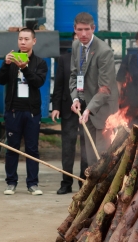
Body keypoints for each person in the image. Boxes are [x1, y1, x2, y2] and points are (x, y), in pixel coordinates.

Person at [0, 28, 48, 195]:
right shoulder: (10, 60)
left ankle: (32, 184)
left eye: (26, 39)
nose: (23, 42)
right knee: (12, 147)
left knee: (32, 149)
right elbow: (0, 80)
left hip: (32, 112)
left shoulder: (40, 63)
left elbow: (38, 82)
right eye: (20, 39)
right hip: (13, 111)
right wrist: (5, 64)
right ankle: (11, 182)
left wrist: (25, 68)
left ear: (34, 41)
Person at [70, 12, 119, 168]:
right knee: (90, 157)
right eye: (79, 30)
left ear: (93, 28)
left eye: (87, 29)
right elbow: (73, 75)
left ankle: (107, 191)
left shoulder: (104, 51)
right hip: (86, 108)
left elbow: (105, 88)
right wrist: (75, 98)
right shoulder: (76, 45)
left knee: (103, 156)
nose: (83, 34)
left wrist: (89, 109)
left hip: (103, 110)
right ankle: (93, 189)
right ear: (74, 29)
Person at [52, 32, 88, 194]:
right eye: (76, 36)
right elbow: (58, 85)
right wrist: (56, 107)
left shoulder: (92, 59)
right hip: (68, 109)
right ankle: (66, 182)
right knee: (68, 147)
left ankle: (85, 182)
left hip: (87, 110)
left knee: (86, 147)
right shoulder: (64, 59)